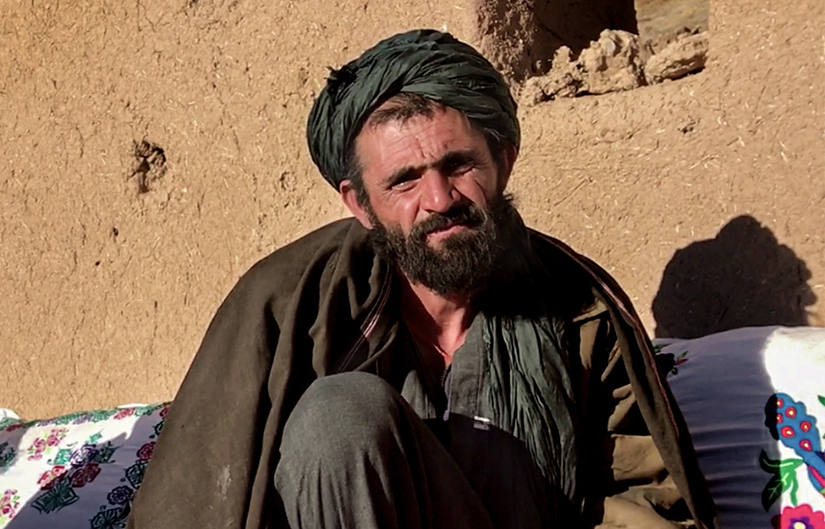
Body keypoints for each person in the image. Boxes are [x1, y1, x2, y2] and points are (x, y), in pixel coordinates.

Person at [129, 30, 718, 529]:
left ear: (503, 159)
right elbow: (205, 494)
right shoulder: (291, 308)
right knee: (341, 416)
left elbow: (642, 499)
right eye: (404, 181)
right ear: (360, 204)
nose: (439, 199)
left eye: (459, 165)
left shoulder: (578, 310)